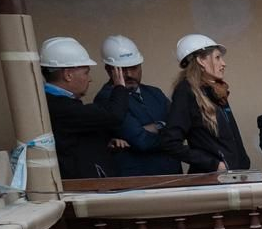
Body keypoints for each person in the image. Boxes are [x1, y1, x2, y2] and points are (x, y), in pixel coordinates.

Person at [41, 36, 130, 179]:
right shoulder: (59, 106)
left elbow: (76, 140)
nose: (90, 79)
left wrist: (103, 142)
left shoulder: (52, 102)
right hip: (79, 185)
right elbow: (113, 115)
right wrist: (119, 87)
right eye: (86, 73)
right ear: (68, 75)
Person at [162, 33, 250, 173]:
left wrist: (242, 163)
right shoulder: (186, 91)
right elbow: (170, 143)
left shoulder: (216, 91)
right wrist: (214, 165)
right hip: (212, 179)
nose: (224, 63)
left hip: (233, 176)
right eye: (217, 57)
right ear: (201, 60)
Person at [98, 35, 180, 176]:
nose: (129, 74)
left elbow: (180, 127)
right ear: (109, 70)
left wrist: (157, 126)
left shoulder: (154, 93)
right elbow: (141, 141)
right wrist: (170, 135)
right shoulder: (106, 98)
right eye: (122, 69)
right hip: (138, 179)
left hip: (173, 175)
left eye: (134, 67)